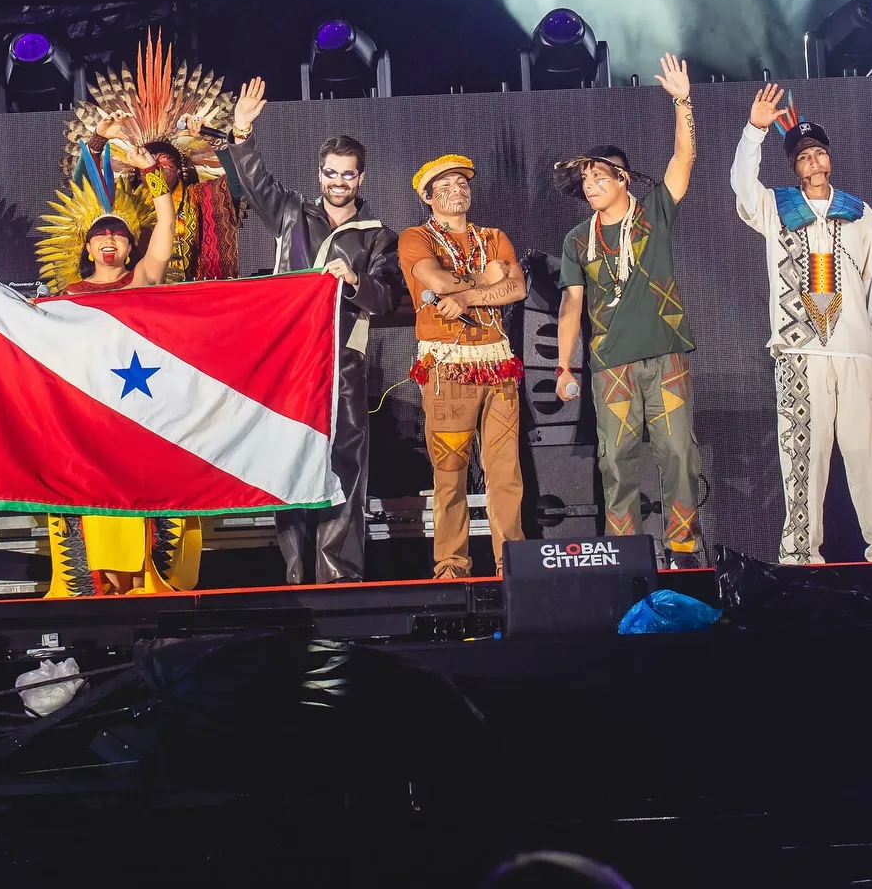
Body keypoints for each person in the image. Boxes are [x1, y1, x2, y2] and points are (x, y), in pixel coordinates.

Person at [224, 77, 404, 583]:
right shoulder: (290, 215)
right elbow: (256, 183)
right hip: (289, 364)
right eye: (330, 173)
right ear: (319, 174)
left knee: (344, 467)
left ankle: (341, 577)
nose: (338, 182)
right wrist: (242, 132)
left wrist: (355, 281)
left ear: (362, 179)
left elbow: (388, 296)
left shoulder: (379, 236)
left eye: (348, 175)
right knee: (288, 463)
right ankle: (297, 576)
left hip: (343, 363)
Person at [732, 86, 872, 565]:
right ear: (794, 166)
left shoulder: (858, 212)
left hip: (855, 351)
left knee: (870, 453)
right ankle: (800, 553)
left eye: (819, 152)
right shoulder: (779, 209)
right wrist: (756, 130)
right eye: (805, 155)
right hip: (800, 352)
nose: (813, 160)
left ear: (829, 160)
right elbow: (742, 186)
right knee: (803, 458)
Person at [554, 54, 704, 567]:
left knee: (679, 455)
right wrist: (564, 366)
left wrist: (682, 102)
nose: (589, 185)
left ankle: (683, 550)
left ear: (622, 179)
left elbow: (683, 159)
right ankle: (625, 556)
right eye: (585, 180)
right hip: (610, 363)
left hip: (665, 355)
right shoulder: (579, 238)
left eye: (599, 176)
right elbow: (572, 303)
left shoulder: (656, 211)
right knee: (616, 462)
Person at [35, 145, 191, 595]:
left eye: (118, 235)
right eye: (100, 235)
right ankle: (97, 588)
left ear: (129, 245)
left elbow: (165, 224)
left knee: (145, 501)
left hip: (141, 413)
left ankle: (146, 586)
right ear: (86, 245)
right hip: (89, 419)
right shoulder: (65, 295)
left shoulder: (143, 279)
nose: (109, 241)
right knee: (90, 507)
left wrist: (151, 176)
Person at [397, 153, 526, 578]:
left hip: (498, 363)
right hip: (447, 365)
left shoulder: (493, 236)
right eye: (447, 185)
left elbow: (517, 287)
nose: (458, 189)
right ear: (428, 197)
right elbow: (437, 282)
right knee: (450, 470)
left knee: (505, 471)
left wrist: (469, 296)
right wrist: (488, 281)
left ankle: (513, 564)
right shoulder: (416, 237)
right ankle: (451, 564)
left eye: (463, 183)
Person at [65, 32, 240, 281]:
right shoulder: (124, 205)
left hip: (191, 296)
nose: (156, 166)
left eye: (165, 162)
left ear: (180, 169)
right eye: (150, 161)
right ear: (137, 168)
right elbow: (85, 191)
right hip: (138, 293)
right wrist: (98, 140)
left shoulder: (202, 198)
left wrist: (214, 140)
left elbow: (237, 185)